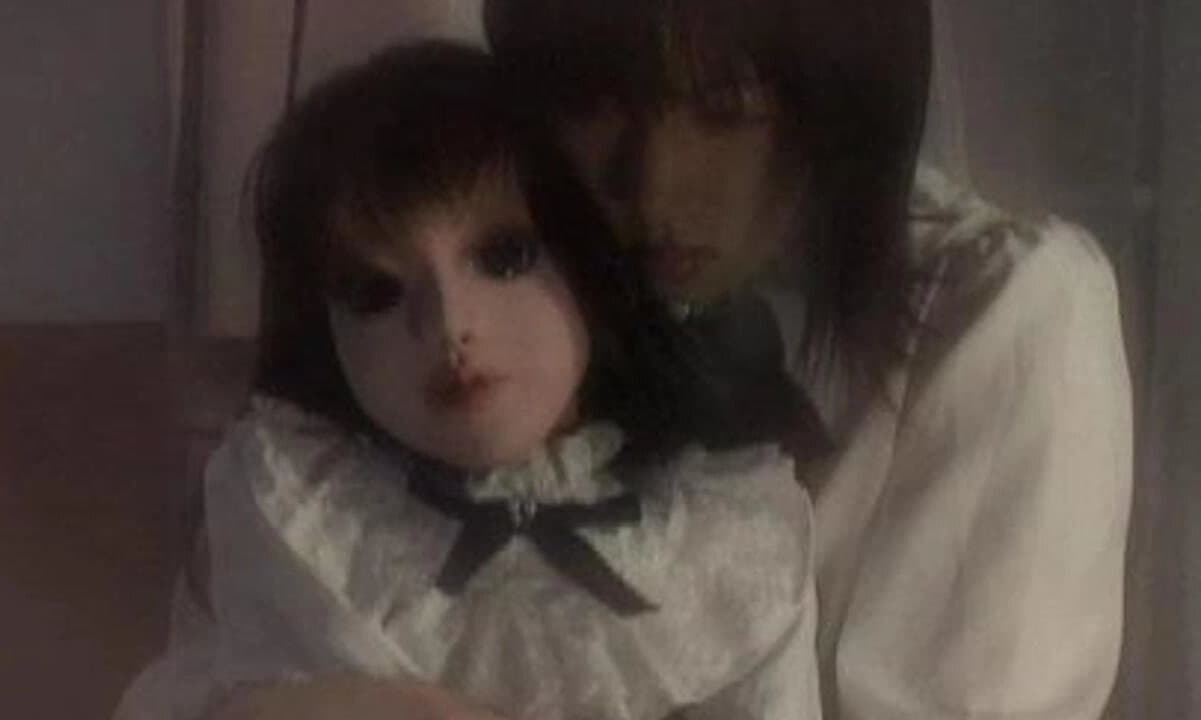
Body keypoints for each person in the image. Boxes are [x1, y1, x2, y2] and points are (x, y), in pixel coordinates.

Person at [114, 41, 819, 720]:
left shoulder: (728, 539)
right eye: (374, 292)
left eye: (504, 257)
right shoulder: (295, 511)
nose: (450, 326)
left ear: (587, 264)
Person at [483, 1, 1135, 719]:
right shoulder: (526, 292)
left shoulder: (1008, 303)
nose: (653, 187)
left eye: (726, 110)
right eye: (595, 106)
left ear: (836, 95)